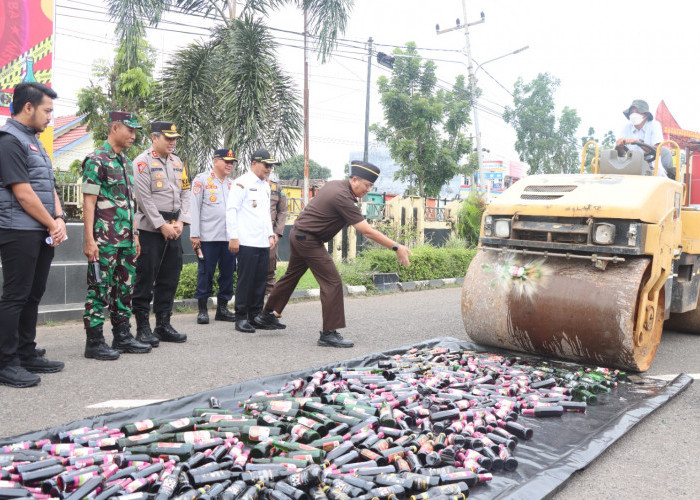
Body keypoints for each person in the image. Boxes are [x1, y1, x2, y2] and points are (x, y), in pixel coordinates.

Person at [254, 160, 412, 348]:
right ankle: (328, 333)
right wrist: (397, 247)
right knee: (332, 281)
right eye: (367, 185)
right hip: (309, 240)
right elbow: (367, 231)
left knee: (291, 275)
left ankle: (266, 315)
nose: (368, 190)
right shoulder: (342, 196)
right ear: (354, 179)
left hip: (299, 235)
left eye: (371, 186)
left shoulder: (335, 185)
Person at [0, 82, 66, 388]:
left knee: (33, 294)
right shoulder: (9, 140)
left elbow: (47, 185)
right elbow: (23, 193)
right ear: (28, 107)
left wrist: (60, 217)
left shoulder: (36, 142)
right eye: (47, 110)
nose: (50, 117)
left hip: (41, 229)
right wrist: (51, 223)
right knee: (15, 296)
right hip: (17, 229)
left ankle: (26, 352)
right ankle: (6, 361)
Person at [81, 111, 152, 360]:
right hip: (104, 240)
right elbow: (88, 202)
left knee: (124, 289)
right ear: (114, 128)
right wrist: (89, 239)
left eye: (135, 131)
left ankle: (122, 336)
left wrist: (135, 235)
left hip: (125, 240)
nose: (133, 135)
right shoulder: (96, 160)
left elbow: (129, 204)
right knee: (99, 288)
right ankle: (95, 342)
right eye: (129, 130)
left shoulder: (125, 161)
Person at [131, 121, 190, 346]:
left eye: (175, 138)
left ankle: (163, 324)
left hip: (174, 227)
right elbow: (143, 198)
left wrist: (181, 222)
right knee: (145, 277)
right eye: (168, 138)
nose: (173, 142)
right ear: (154, 138)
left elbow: (186, 193)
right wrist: (161, 225)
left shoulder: (178, 162)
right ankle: (143, 327)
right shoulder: (142, 162)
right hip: (150, 230)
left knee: (170, 277)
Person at [226, 148, 277, 333]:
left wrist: (270, 234)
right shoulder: (241, 183)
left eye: (271, 166)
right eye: (266, 165)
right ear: (254, 163)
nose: (269, 169)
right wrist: (233, 236)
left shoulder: (266, 185)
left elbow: (265, 214)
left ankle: (255, 316)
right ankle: (241, 317)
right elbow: (231, 210)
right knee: (245, 280)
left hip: (262, 240)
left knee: (260, 281)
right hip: (246, 240)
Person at [190, 148, 237, 324]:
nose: (229, 165)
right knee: (205, 273)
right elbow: (193, 208)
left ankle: (223, 309)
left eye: (232, 162)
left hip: (229, 238)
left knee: (228, 273)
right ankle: (202, 310)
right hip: (207, 238)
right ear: (215, 160)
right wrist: (194, 234)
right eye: (226, 161)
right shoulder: (201, 180)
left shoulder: (233, 184)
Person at [616, 99, 669, 177]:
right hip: (630, 164)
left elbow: (658, 150)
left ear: (646, 115)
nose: (633, 115)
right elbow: (620, 154)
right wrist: (619, 146)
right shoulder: (626, 127)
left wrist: (637, 142)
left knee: (659, 175)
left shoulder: (654, 125)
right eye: (631, 112)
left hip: (652, 165)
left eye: (637, 112)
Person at [266, 176, 288, 295]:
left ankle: (269, 304)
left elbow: (282, 211)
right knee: (250, 271)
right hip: (252, 234)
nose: (268, 168)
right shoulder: (247, 185)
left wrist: (276, 233)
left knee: (270, 270)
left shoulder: (277, 187)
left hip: (271, 234)